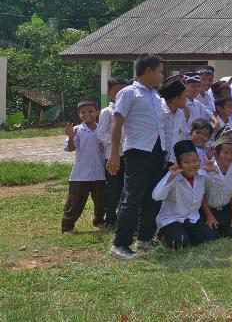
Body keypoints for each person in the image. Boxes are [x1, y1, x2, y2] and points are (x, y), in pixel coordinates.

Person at [107, 54, 168, 260]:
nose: (162, 75)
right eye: (160, 71)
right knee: (132, 197)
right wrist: (114, 154)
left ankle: (144, 238)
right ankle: (120, 244)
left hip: (156, 151)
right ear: (148, 71)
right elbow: (117, 124)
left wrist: (163, 151)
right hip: (137, 151)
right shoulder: (128, 92)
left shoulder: (156, 96)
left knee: (152, 196)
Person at [151, 140, 218, 248]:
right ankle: (162, 234)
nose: (192, 165)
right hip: (171, 219)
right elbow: (156, 196)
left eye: (195, 160)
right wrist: (170, 176)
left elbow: (218, 190)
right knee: (180, 242)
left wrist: (214, 173)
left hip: (192, 218)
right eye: (186, 162)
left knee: (210, 237)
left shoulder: (202, 175)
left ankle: (184, 234)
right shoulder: (173, 176)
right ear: (178, 163)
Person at [61, 100, 106, 234]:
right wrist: (70, 137)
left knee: (101, 201)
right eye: (83, 112)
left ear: (97, 113)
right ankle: (67, 227)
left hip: (100, 173)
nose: (87, 115)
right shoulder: (77, 130)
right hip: (81, 174)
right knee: (75, 202)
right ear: (79, 114)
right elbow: (70, 148)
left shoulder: (102, 129)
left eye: (91, 111)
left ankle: (99, 221)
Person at [96, 77, 129, 229]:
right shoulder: (107, 112)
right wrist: (118, 140)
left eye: (123, 91)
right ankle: (110, 218)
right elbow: (100, 134)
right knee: (113, 187)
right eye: (116, 91)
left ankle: (123, 216)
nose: (120, 94)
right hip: (113, 156)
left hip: (129, 155)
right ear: (109, 93)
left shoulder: (130, 110)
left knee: (126, 187)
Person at [201, 136, 232, 238]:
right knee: (211, 235)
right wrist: (209, 215)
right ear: (216, 153)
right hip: (208, 210)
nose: (229, 156)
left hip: (225, 209)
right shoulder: (208, 168)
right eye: (225, 152)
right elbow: (202, 195)